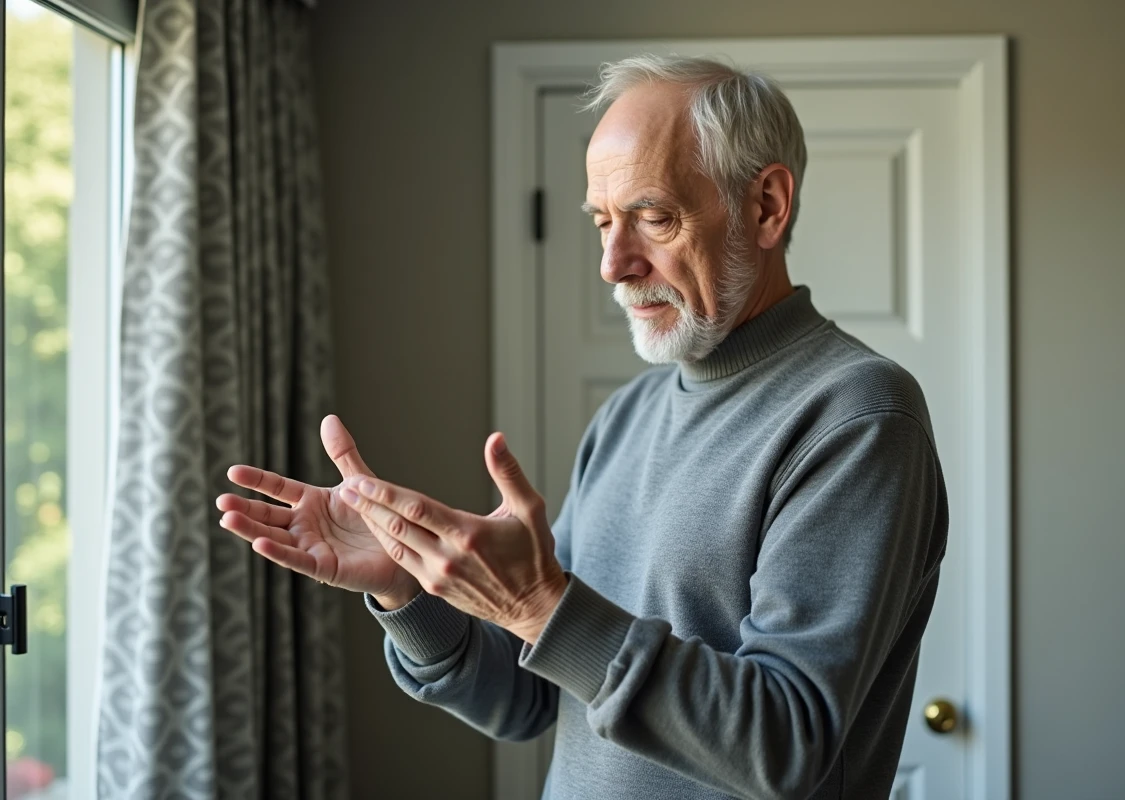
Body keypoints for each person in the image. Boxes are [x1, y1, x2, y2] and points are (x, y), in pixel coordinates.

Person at [217, 54, 949, 800]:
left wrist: (540, 604)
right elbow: (531, 698)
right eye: (603, 222)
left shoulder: (858, 415)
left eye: (653, 217)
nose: (612, 263)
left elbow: (786, 744)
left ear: (766, 206)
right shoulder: (626, 416)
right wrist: (409, 592)